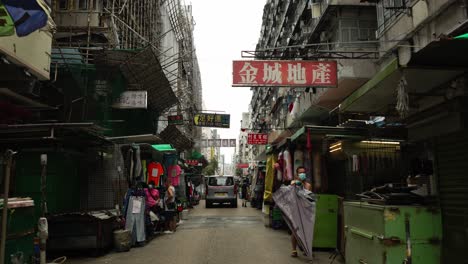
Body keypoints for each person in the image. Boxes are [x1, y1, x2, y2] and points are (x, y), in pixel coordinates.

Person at [290, 166, 312, 258]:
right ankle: (294, 250)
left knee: (306, 231)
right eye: (300, 172)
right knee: (295, 230)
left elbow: (309, 197)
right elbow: (291, 193)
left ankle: (305, 249)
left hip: (305, 210)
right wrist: (297, 184)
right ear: (297, 174)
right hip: (295, 209)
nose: (302, 174)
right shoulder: (293, 183)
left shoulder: (308, 185)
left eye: (303, 172)